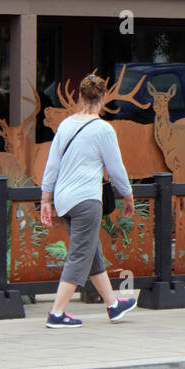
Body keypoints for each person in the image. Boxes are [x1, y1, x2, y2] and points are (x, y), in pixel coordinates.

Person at [39, 72, 138, 328]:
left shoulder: (65, 125)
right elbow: (115, 168)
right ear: (103, 98)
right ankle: (57, 313)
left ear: (79, 96)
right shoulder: (103, 129)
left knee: (91, 251)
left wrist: (46, 199)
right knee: (80, 254)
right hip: (86, 199)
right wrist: (127, 194)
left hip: (64, 199)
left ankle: (113, 305)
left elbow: (52, 165)